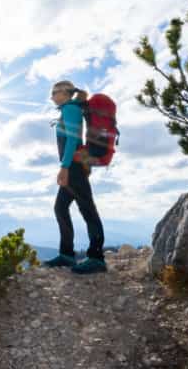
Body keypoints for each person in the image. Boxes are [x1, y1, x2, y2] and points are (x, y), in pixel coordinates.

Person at [43, 80, 107, 274]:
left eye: (54, 92)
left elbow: (72, 139)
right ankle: (67, 255)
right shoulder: (69, 109)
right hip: (74, 166)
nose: (51, 96)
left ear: (64, 92)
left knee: (87, 209)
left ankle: (97, 258)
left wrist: (64, 167)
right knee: (60, 207)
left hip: (74, 167)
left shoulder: (70, 109)